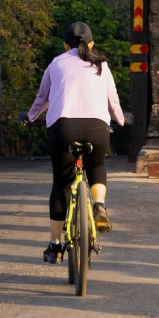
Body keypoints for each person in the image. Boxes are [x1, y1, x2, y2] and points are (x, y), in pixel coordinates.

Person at [25, 20, 125, 262]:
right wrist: (122, 120)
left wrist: (29, 117)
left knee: (60, 185)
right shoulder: (102, 65)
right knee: (97, 166)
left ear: (64, 44)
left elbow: (43, 98)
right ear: (91, 44)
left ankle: (54, 245)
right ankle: (99, 205)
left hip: (64, 129)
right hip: (97, 129)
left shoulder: (55, 64)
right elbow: (113, 102)